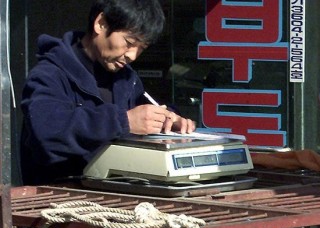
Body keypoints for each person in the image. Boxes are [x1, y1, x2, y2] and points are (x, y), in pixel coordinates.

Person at [20, 0, 196, 186]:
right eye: (129, 43)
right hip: (58, 200)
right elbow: (46, 132)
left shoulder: (128, 79)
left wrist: (168, 121)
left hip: (117, 200)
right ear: (100, 23)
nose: (132, 55)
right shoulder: (50, 74)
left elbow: (144, 115)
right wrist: (123, 121)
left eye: (142, 48)